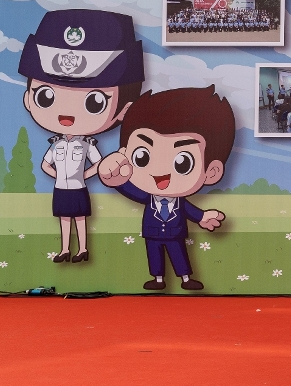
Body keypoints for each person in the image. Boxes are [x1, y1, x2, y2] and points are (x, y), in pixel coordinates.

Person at [18, 9, 146, 264]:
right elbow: (45, 164)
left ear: (123, 110)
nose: (67, 115)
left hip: (78, 187)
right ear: (28, 99)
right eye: (46, 96)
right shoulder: (56, 144)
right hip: (61, 187)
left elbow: (99, 162)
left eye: (95, 102)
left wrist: (84, 176)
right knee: (64, 218)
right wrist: (58, 176)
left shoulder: (87, 144)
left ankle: (83, 249)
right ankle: (65, 249)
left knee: (79, 217)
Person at [98, 86, 233, 291]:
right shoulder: (147, 197)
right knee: (154, 254)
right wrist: (114, 178)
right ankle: (158, 279)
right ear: (125, 154)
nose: (160, 172)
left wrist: (203, 217)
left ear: (211, 171)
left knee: (178, 253)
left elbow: (190, 211)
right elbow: (126, 188)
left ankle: (186, 278)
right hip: (152, 232)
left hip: (175, 233)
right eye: (142, 157)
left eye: (183, 163)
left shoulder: (179, 202)